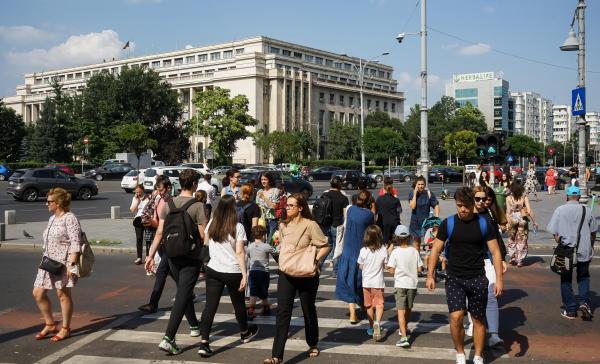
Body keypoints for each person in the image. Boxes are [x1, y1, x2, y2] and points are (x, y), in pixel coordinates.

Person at [426, 187, 504, 364]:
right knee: (456, 317)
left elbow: (496, 252)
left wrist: (499, 279)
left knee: (478, 319)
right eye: (459, 206)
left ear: (473, 205)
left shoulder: (484, 224)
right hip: (454, 277)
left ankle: (478, 356)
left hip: (477, 277)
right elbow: (436, 249)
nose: (463, 209)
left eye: (466, 206)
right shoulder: (449, 223)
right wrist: (430, 275)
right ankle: (460, 353)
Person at [145, 169, 208, 355]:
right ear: (195, 184)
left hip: (171, 254)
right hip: (190, 256)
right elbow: (204, 236)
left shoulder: (168, 204)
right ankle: (169, 338)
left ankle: (194, 325)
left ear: (180, 183)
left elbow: (159, 233)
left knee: (183, 290)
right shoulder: (197, 206)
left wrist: (150, 255)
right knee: (183, 293)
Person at [264, 193, 330, 364]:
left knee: (308, 309)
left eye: (291, 206)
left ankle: (312, 342)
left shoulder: (310, 225)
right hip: (286, 273)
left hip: (306, 274)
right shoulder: (283, 225)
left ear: (301, 208)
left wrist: (314, 261)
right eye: (287, 205)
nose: (288, 208)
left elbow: (325, 246)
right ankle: (276, 356)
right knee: (283, 313)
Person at [197, 194, 259, 357]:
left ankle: (204, 343)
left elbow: (205, 241)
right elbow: (239, 252)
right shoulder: (237, 227)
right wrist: (245, 274)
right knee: (238, 304)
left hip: (214, 269)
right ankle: (245, 333)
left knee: (210, 305)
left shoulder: (212, 223)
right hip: (233, 271)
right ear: (233, 209)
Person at [33, 188, 82, 342]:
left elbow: (76, 242)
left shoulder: (70, 218)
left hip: (64, 262)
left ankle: (66, 328)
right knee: (38, 293)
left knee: (63, 295)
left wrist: (72, 264)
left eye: (49, 201)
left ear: (58, 203)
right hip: (48, 262)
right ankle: (50, 324)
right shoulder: (52, 218)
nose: (46, 204)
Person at [547, 185, 598, 320]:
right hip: (584, 249)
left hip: (566, 251)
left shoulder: (560, 210)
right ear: (580, 197)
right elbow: (593, 232)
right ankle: (584, 303)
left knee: (565, 279)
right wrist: (591, 246)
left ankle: (570, 310)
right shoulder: (587, 210)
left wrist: (559, 241)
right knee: (583, 277)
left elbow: (554, 232)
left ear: (567, 196)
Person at [468, 186, 508, 347]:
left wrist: (501, 259)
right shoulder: (466, 214)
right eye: (477, 199)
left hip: (488, 259)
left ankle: (494, 334)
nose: (482, 202)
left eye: (484, 199)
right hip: (470, 261)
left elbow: (497, 239)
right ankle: (473, 323)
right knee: (470, 296)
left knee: (491, 296)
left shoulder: (489, 213)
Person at [336, 190, 375, 324]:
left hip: (347, 250)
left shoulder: (351, 209)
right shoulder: (369, 215)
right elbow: (372, 229)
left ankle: (353, 314)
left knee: (348, 281)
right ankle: (364, 304)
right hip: (361, 251)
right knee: (361, 281)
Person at [138, 178, 175, 313]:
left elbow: (166, 226)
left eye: (161, 189)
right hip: (162, 241)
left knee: (161, 272)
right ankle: (187, 293)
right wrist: (149, 220)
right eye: (158, 189)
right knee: (168, 271)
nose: (159, 192)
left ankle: (153, 304)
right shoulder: (159, 200)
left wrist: (150, 255)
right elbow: (158, 221)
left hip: (169, 242)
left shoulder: (171, 203)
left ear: (169, 188)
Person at [386, 224, 423, 348]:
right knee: (408, 308)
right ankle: (404, 329)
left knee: (400, 310)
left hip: (400, 284)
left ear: (396, 237)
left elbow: (391, 270)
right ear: (409, 237)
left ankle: (403, 337)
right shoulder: (414, 251)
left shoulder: (395, 252)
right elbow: (420, 268)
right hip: (412, 284)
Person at [357, 225, 388, 342]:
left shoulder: (363, 251)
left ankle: (371, 327)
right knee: (379, 304)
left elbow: (360, 266)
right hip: (378, 282)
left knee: (368, 305)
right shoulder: (383, 249)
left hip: (366, 283)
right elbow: (385, 265)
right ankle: (377, 323)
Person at [321, 176, 349, 277]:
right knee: (338, 248)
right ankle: (335, 271)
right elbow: (345, 215)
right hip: (337, 226)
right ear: (340, 184)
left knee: (327, 246)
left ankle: (319, 265)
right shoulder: (343, 198)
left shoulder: (324, 195)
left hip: (325, 225)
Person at [247, 225, 276, 320]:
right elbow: (275, 252)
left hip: (253, 272)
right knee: (264, 291)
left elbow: (248, 255)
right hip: (264, 272)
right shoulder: (266, 246)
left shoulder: (250, 246)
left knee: (253, 291)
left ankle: (251, 310)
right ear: (264, 235)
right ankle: (266, 307)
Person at [506, 182, 537, 267]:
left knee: (512, 239)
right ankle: (519, 260)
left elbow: (508, 212)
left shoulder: (508, 198)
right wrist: (534, 222)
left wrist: (508, 222)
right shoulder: (524, 197)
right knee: (522, 240)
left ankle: (512, 257)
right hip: (522, 220)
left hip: (512, 220)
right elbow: (529, 211)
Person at [408, 176, 440, 251]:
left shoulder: (429, 193)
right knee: (416, 243)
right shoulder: (412, 193)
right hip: (415, 222)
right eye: (418, 184)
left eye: (422, 184)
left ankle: (428, 259)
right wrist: (415, 194)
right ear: (416, 185)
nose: (420, 186)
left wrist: (436, 217)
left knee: (429, 243)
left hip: (427, 222)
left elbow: (436, 205)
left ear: (425, 185)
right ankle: (417, 260)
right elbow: (412, 206)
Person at [375, 177, 402, 245]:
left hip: (382, 223)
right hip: (393, 223)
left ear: (384, 186)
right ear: (392, 187)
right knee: (392, 243)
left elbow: (375, 211)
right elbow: (399, 211)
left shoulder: (379, 199)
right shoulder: (396, 200)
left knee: (383, 243)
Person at [256, 172, 281, 244]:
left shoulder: (275, 191)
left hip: (272, 220)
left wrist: (264, 198)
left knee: (271, 241)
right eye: (262, 179)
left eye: (265, 179)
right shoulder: (259, 191)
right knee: (261, 241)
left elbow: (273, 206)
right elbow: (257, 206)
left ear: (269, 180)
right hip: (261, 220)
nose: (263, 181)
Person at [130, 184, 151, 265]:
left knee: (148, 238)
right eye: (136, 192)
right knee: (139, 238)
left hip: (146, 219)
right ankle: (139, 257)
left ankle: (148, 256)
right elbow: (132, 209)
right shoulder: (135, 198)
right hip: (138, 219)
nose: (138, 193)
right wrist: (137, 201)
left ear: (143, 190)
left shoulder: (148, 198)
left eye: (139, 192)